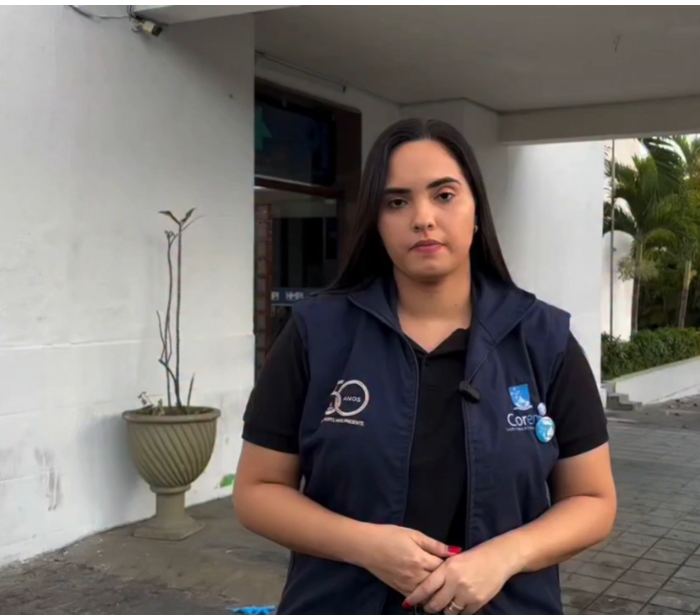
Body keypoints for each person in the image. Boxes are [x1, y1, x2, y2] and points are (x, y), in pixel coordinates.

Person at [233, 118, 617, 615]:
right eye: (397, 202)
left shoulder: (544, 339)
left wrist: (504, 557)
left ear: (476, 210)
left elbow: (593, 500)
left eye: (444, 195)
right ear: (375, 221)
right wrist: (365, 546)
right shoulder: (316, 334)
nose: (423, 218)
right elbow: (257, 491)